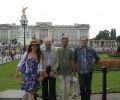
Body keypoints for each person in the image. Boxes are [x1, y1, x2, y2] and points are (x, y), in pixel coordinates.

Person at [74, 36, 100, 100]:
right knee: (82, 87)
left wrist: (94, 64)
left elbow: (98, 58)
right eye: (82, 41)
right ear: (80, 41)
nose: (84, 42)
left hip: (89, 71)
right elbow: (74, 59)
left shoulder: (92, 50)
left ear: (87, 41)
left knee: (88, 87)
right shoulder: (77, 49)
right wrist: (75, 68)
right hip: (81, 71)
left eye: (85, 41)